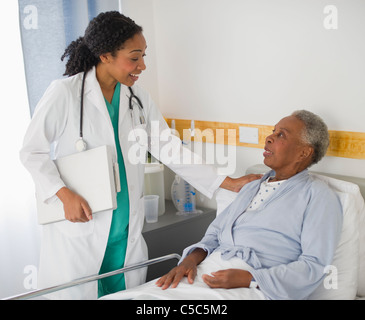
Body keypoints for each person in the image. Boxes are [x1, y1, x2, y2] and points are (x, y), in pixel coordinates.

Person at [19, 11, 259, 299]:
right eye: (134, 57)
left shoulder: (138, 99)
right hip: (81, 226)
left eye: (144, 56)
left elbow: (170, 150)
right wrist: (62, 193)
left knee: (124, 294)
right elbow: (31, 152)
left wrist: (226, 182)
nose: (142, 65)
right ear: (105, 55)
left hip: (125, 229)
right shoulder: (66, 93)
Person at [101, 110, 343, 300]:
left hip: (258, 286)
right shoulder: (252, 186)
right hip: (207, 271)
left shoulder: (318, 196)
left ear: (304, 152)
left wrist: (249, 278)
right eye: (273, 131)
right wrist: (188, 261)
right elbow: (214, 234)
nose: (269, 137)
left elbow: (315, 266)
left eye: (282, 135)